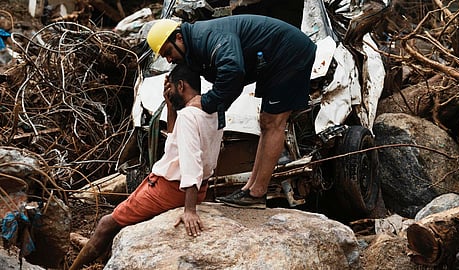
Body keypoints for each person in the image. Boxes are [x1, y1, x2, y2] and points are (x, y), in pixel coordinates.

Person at [146, 14, 316, 209]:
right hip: (273, 59)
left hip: (289, 53)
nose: (169, 59)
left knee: (274, 123)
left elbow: (233, 70)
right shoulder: (194, 48)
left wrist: (209, 102)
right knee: (265, 122)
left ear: (179, 37)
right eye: (164, 57)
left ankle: (257, 193)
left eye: (168, 52)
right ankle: (249, 189)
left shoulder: (206, 37)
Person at [69, 64, 224, 270]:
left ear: (181, 85)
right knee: (124, 217)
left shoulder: (188, 116)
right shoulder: (212, 111)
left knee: (107, 223)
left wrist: (189, 210)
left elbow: (191, 163)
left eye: (171, 90)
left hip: (169, 189)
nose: (168, 93)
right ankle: (99, 253)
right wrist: (170, 107)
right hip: (192, 187)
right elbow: (175, 144)